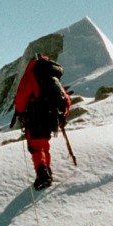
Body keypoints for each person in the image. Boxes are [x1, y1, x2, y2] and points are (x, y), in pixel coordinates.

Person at [14, 54, 71, 190]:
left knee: (37, 145)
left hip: (36, 115)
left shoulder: (32, 73)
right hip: (51, 116)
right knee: (43, 144)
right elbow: (65, 98)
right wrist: (63, 114)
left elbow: (22, 95)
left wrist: (20, 111)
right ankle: (46, 170)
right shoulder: (52, 75)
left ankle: (43, 173)